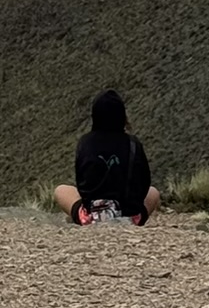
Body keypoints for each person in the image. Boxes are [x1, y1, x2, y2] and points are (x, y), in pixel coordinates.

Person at [54, 88, 160, 226]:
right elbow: (144, 182)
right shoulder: (133, 143)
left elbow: (81, 182)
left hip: (92, 217)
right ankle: (132, 217)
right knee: (154, 192)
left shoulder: (85, 143)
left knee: (60, 190)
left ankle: (85, 217)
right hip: (130, 217)